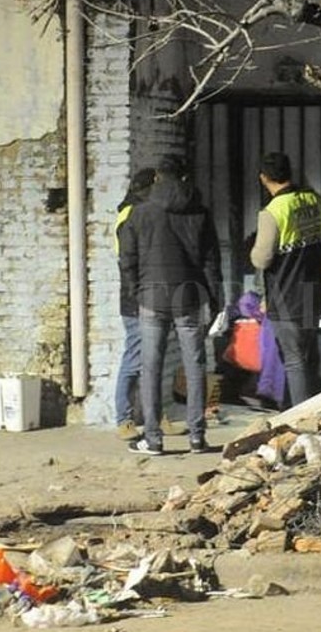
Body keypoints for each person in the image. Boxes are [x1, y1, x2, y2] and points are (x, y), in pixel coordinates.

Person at [118, 155, 222, 455]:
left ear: (157, 178)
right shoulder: (200, 212)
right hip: (189, 298)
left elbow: (127, 259)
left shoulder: (140, 213)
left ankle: (153, 439)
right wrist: (215, 300)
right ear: (185, 177)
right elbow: (211, 262)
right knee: (195, 365)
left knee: (150, 367)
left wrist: (136, 291)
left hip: (151, 298)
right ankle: (197, 437)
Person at [249, 151, 321, 407]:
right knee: (310, 358)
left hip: (287, 297)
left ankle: (303, 421)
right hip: (314, 292)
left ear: (264, 178)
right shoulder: (315, 200)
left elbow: (261, 259)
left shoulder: (273, 211)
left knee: (295, 362)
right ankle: (318, 413)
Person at [113, 168, 155, 441]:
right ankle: (124, 419)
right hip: (135, 299)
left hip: (147, 295)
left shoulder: (139, 211)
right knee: (134, 358)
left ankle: (156, 415)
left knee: (153, 359)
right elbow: (128, 261)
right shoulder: (130, 215)